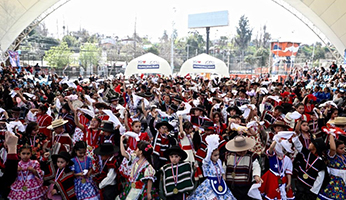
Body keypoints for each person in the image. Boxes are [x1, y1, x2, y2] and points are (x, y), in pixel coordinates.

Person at [188, 134, 236, 200]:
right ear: (210, 155)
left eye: (218, 155)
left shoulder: (219, 161)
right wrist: (210, 147)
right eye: (215, 155)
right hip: (210, 183)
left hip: (220, 182)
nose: (217, 157)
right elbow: (205, 160)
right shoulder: (208, 162)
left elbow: (222, 171)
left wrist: (223, 178)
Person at [224, 135, 262, 200]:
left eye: (244, 150)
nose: (242, 153)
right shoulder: (228, 155)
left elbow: (256, 166)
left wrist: (256, 175)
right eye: (240, 151)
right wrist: (223, 175)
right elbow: (224, 166)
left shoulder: (252, 156)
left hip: (244, 187)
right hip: (230, 185)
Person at [259, 133, 295, 200]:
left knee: (282, 194)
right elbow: (271, 148)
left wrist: (289, 183)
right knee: (272, 193)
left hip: (282, 177)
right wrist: (276, 140)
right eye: (280, 147)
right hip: (272, 177)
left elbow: (288, 172)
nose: (282, 149)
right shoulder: (273, 155)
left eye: (284, 148)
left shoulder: (287, 159)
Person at [318, 132, 346, 199]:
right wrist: (331, 133)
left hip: (344, 181)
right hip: (335, 182)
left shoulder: (344, 157)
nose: (344, 150)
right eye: (341, 148)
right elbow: (332, 148)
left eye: (344, 148)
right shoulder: (332, 156)